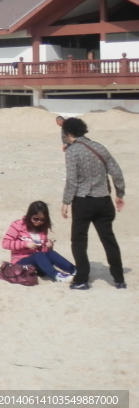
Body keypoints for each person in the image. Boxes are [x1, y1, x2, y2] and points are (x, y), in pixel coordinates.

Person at [60, 117, 126, 290]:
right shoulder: (99, 147)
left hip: (83, 202)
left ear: (67, 133)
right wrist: (120, 193)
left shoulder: (72, 152)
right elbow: (116, 172)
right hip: (104, 201)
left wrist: (66, 201)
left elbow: (72, 180)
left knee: (79, 241)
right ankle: (119, 279)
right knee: (108, 239)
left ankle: (82, 279)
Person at [2, 201, 75, 282]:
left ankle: (74, 270)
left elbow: (42, 251)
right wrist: (25, 244)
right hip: (20, 261)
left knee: (51, 254)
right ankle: (56, 275)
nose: (38, 222)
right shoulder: (18, 225)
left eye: (42, 220)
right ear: (29, 216)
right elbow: (5, 243)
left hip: (39, 262)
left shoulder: (43, 228)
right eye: (35, 219)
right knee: (38, 255)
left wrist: (47, 247)